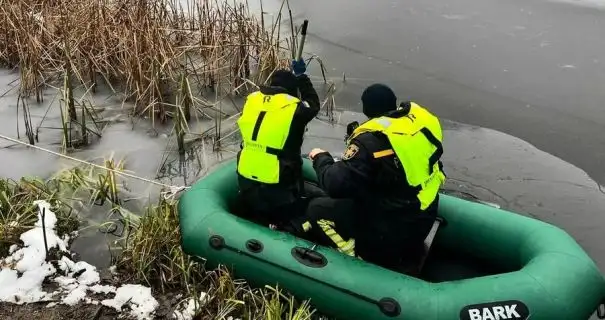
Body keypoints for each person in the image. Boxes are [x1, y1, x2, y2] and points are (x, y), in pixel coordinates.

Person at [294, 83, 446, 272]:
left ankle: (358, 260)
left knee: (316, 209)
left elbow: (334, 184)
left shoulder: (371, 141)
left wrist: (320, 157)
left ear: (366, 109)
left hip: (394, 229)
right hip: (425, 215)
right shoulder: (417, 126)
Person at [234, 58, 325, 228]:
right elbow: (313, 103)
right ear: (291, 91)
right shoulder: (293, 108)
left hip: (246, 170)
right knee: (288, 209)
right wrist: (302, 77)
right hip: (277, 177)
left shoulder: (251, 100)